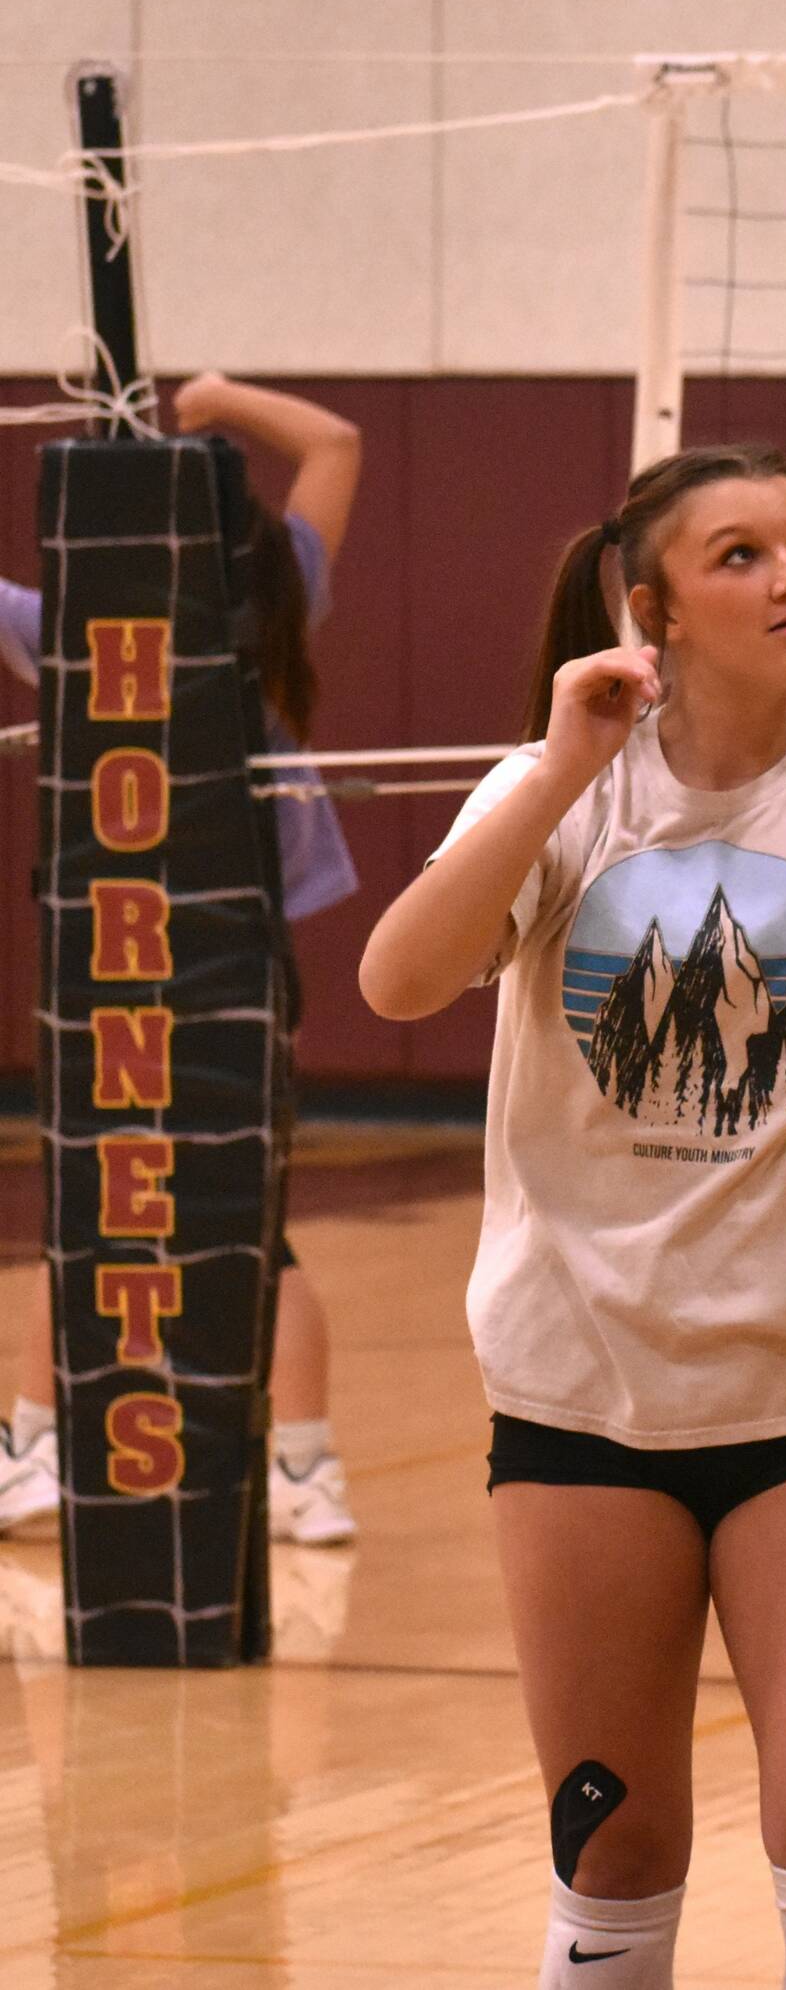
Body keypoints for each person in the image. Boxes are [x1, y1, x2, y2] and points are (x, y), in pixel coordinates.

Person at [357, 440, 786, 1990]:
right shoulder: (560, 799)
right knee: (614, 1852)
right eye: (740, 554)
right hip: (584, 1392)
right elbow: (398, 980)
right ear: (650, 609)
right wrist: (553, 767)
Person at [0, 373, 364, 1545]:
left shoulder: (73, 625)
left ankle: (40, 1444)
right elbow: (339, 440)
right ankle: (302, 1474)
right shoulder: (274, 590)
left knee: (99, 1208)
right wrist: (216, 400)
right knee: (253, 1219)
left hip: (117, 955)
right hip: (243, 957)